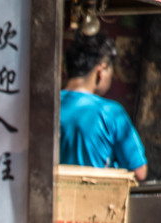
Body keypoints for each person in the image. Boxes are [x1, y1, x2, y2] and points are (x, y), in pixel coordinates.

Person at [59, 32, 147, 181]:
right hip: (95, 202)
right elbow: (139, 172)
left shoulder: (46, 105)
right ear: (101, 71)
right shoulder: (111, 113)